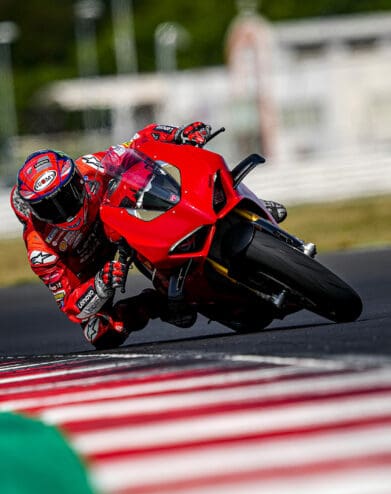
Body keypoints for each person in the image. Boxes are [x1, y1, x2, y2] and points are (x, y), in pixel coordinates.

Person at [10, 122, 287, 349]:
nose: (63, 211)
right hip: (95, 270)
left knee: (150, 177)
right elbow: (72, 306)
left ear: (76, 181)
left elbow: (136, 143)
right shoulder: (40, 249)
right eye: (48, 207)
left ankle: (230, 206)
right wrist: (103, 282)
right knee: (99, 333)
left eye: (66, 196)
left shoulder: (89, 167)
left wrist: (177, 135)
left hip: (120, 225)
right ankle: (159, 304)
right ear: (35, 211)